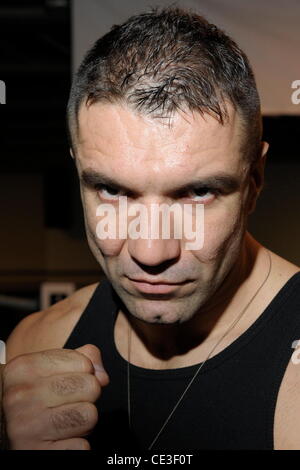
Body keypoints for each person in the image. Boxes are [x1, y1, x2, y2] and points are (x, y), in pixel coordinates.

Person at [1, 7, 300, 451]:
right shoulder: (39, 342)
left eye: (197, 192)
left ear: (254, 180)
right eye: (110, 190)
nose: (151, 251)